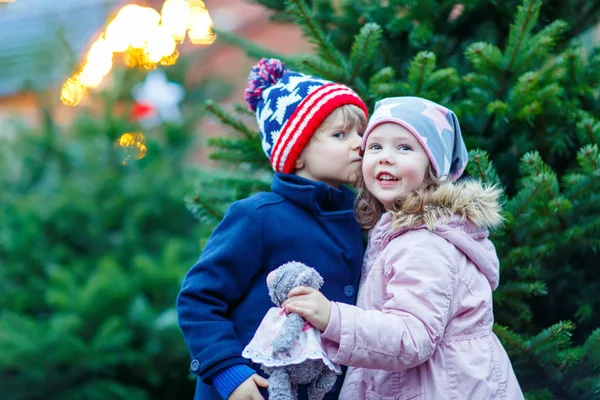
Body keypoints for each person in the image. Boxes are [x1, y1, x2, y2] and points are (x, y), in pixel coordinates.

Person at [283, 96, 525, 399]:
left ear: (433, 169)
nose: (385, 157)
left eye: (404, 147)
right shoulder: (399, 232)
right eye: (375, 147)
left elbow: (412, 336)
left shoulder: (424, 243)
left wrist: (333, 318)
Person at [177, 58, 369, 400]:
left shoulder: (359, 220)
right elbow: (199, 298)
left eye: (360, 133)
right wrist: (228, 373)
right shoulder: (258, 216)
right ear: (296, 154)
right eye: (340, 135)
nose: (359, 144)